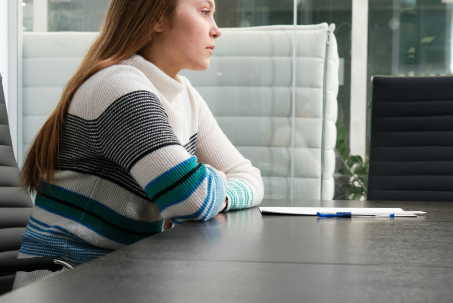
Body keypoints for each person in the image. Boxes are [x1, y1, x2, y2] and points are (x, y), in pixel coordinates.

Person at [14, 0, 263, 288]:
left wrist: (214, 192)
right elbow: (192, 198)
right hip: (67, 283)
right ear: (157, 18)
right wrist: (199, 187)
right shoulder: (118, 86)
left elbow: (249, 178)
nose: (216, 30)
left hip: (123, 277)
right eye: (204, 12)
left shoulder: (184, 96)